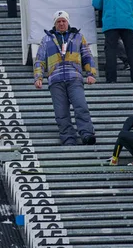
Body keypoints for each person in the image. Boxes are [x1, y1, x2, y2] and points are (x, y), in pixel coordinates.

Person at [34, 11, 97, 146]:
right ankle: (68, 138)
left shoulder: (78, 37)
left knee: (81, 106)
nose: (61, 23)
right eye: (58, 21)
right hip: (55, 80)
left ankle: (87, 134)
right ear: (55, 24)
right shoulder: (46, 39)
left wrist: (90, 74)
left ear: (68, 22)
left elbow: (87, 56)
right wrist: (38, 77)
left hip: (74, 77)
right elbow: (39, 60)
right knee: (61, 112)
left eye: (64, 21)